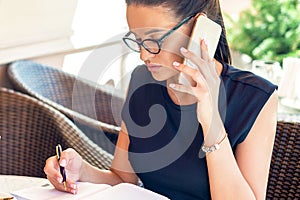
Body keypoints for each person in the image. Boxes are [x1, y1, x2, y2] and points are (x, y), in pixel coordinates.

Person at [44, 0, 278, 199]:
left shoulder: (255, 98)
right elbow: (123, 179)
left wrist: (211, 120)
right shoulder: (142, 81)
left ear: (199, 27)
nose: (145, 55)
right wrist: (81, 171)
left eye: (156, 39)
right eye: (137, 39)